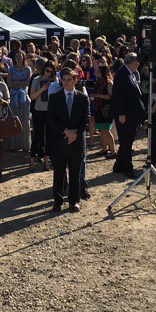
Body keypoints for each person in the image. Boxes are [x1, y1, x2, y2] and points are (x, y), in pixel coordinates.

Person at [47, 68, 90, 212]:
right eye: (64, 80)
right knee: (59, 173)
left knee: (75, 172)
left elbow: (86, 119)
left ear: (75, 80)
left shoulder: (82, 98)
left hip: (76, 141)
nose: (66, 82)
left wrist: (75, 134)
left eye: (69, 80)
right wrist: (65, 131)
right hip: (59, 141)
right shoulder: (54, 97)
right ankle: (57, 202)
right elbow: (51, 119)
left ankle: (74, 201)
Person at [110, 53, 145, 178]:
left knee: (127, 141)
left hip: (131, 114)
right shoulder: (121, 74)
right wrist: (121, 113)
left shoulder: (130, 73)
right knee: (126, 142)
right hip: (124, 114)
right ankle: (127, 168)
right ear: (131, 62)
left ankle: (118, 165)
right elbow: (118, 96)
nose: (138, 64)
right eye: (136, 62)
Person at [29, 62, 57, 171]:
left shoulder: (55, 81)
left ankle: (46, 162)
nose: (48, 74)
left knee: (49, 137)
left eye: (51, 72)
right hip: (38, 111)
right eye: (47, 71)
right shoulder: (36, 80)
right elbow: (32, 96)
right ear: (43, 70)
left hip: (50, 111)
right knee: (37, 136)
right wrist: (43, 89)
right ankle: (31, 161)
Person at [6, 50, 32, 155]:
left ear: (23, 57)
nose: (18, 58)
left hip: (24, 97)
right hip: (14, 97)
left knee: (25, 121)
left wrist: (17, 83)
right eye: (16, 56)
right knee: (14, 120)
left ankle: (25, 145)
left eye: (20, 56)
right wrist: (20, 83)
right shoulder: (11, 69)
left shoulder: (27, 69)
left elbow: (28, 82)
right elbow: (9, 83)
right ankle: (14, 145)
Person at [91, 64, 116, 160]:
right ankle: (104, 149)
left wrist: (97, 95)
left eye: (97, 70)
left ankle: (113, 152)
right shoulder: (99, 81)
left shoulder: (109, 83)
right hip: (99, 108)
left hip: (106, 109)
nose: (95, 72)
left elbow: (110, 96)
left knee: (107, 130)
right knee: (102, 130)